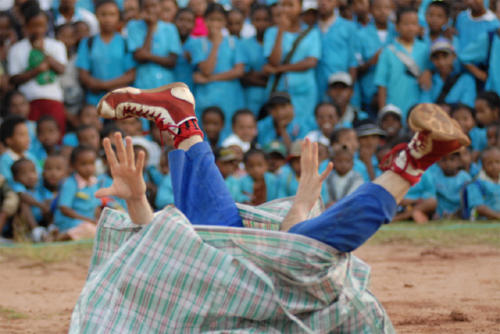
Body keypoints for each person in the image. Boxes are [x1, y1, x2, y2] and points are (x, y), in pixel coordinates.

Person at [82, 82, 469, 332]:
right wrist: (301, 205)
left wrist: (136, 198)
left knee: (221, 240)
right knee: (298, 254)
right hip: (289, 294)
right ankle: (411, 164)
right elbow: (289, 246)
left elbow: (165, 253)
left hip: (228, 285)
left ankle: (183, 124)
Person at [8, 0, 68, 133]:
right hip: (29, 101)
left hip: (54, 99)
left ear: (47, 26)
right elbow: (14, 79)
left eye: (41, 25)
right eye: (33, 26)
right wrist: (36, 71)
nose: (38, 30)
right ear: (26, 26)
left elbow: (61, 69)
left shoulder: (56, 45)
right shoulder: (17, 49)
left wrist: (43, 51)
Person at [264, 0, 321, 132]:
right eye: (283, 5)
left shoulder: (311, 33)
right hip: (279, 90)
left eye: (290, 5)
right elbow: (274, 61)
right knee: (278, 127)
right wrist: (280, 31)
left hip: (304, 92)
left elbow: (311, 62)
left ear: (300, 8)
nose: (286, 9)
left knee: (302, 128)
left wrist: (280, 69)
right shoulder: (272, 32)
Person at [191, 3, 246, 139]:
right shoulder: (198, 43)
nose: (215, 24)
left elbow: (238, 71)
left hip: (230, 98)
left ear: (225, 22)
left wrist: (209, 79)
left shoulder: (234, 42)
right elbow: (207, 70)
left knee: (229, 133)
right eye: (211, 19)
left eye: (219, 20)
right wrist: (215, 44)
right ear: (204, 21)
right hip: (206, 98)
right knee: (205, 133)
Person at [76, 0, 136, 107]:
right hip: (94, 102)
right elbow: (83, 74)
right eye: (103, 14)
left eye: (112, 14)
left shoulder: (125, 42)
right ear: (96, 16)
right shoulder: (88, 42)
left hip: (120, 101)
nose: (108, 19)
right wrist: (102, 85)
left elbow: (131, 75)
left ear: (118, 17)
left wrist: (104, 85)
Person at [126, 0, 181, 90]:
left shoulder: (170, 28)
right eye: (146, 7)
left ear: (160, 7)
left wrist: (147, 55)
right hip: (143, 85)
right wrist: (151, 27)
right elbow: (139, 57)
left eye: (154, 6)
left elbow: (172, 62)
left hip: (166, 85)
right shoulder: (133, 26)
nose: (151, 10)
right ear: (141, 9)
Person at [53, 145, 100, 240]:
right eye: (83, 164)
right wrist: (86, 220)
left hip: (88, 221)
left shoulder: (94, 182)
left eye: (92, 163)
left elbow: (96, 206)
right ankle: (63, 235)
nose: (89, 168)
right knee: (89, 229)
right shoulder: (70, 183)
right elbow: (64, 208)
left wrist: (98, 219)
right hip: (70, 222)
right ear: (73, 165)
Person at [0, 115, 40, 185]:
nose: (27, 139)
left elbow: (39, 176)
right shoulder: (5, 160)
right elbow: (9, 183)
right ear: (9, 140)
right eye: (22, 135)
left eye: (27, 134)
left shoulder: (31, 157)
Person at [465, 146, 500, 220]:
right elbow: (479, 207)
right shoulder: (476, 184)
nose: (494, 166)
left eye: (498, 162)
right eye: (489, 163)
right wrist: (497, 216)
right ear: (483, 166)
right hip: (484, 221)